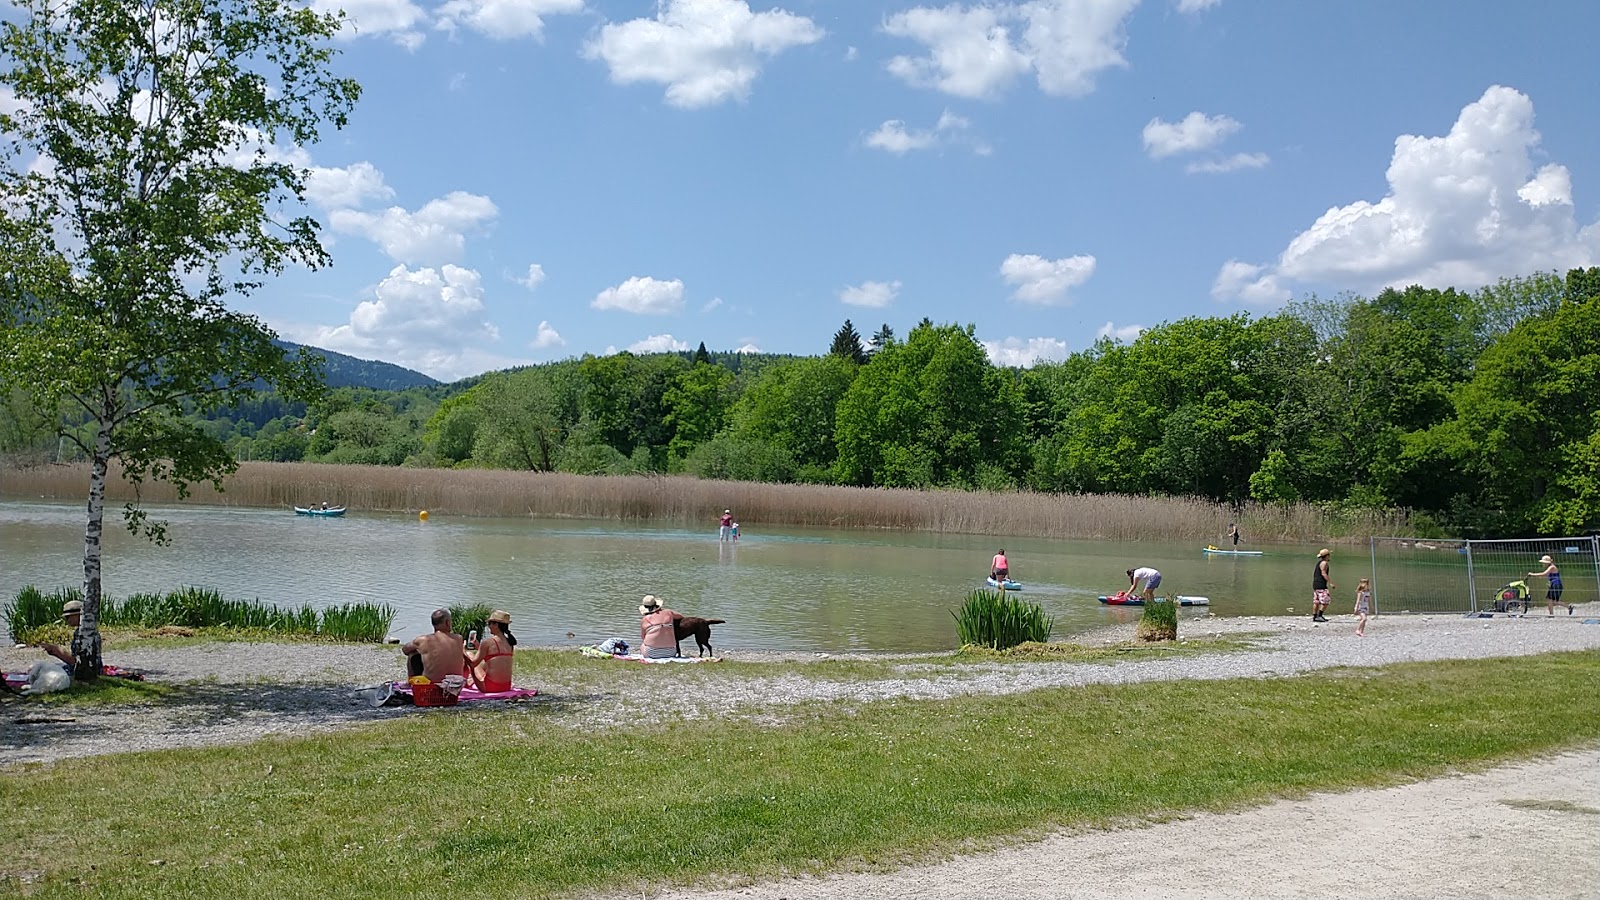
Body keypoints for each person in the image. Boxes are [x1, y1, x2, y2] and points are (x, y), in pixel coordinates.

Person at [401, 608, 466, 682]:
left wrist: (420, 649)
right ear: (447, 622)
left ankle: (411, 684)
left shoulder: (423, 640)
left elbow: (405, 649)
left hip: (431, 686)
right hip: (455, 686)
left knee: (412, 654)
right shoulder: (458, 638)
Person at [465, 609, 517, 692]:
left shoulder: (487, 642)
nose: (488, 626)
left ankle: (465, 682)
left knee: (469, 654)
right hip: (505, 687)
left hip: (490, 688)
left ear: (496, 625)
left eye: (489, 624)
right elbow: (496, 658)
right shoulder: (510, 643)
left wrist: (462, 650)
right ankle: (470, 680)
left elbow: (473, 664)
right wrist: (479, 647)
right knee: (485, 663)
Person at [639, 594, 679, 659]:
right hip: (671, 652)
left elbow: (643, 637)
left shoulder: (645, 619)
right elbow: (681, 617)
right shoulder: (668, 612)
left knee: (642, 645)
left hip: (651, 653)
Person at [1312, 549, 1335, 622]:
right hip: (1321, 584)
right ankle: (1319, 615)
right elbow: (1323, 573)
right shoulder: (1324, 563)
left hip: (1316, 584)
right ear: (1327, 556)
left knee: (1317, 601)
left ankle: (1315, 616)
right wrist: (1331, 582)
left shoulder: (1319, 562)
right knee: (1326, 600)